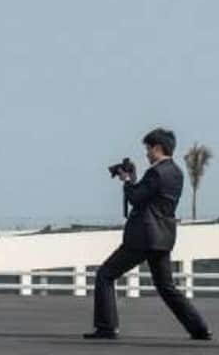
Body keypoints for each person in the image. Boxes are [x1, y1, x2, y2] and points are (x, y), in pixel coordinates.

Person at [85, 128, 212, 340]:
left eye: (148, 148)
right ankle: (199, 328)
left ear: (158, 148)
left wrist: (127, 180)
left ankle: (107, 327)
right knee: (166, 287)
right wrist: (134, 180)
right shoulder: (177, 172)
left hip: (143, 236)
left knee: (105, 275)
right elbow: (151, 197)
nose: (146, 153)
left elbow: (136, 198)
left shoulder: (156, 173)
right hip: (163, 237)